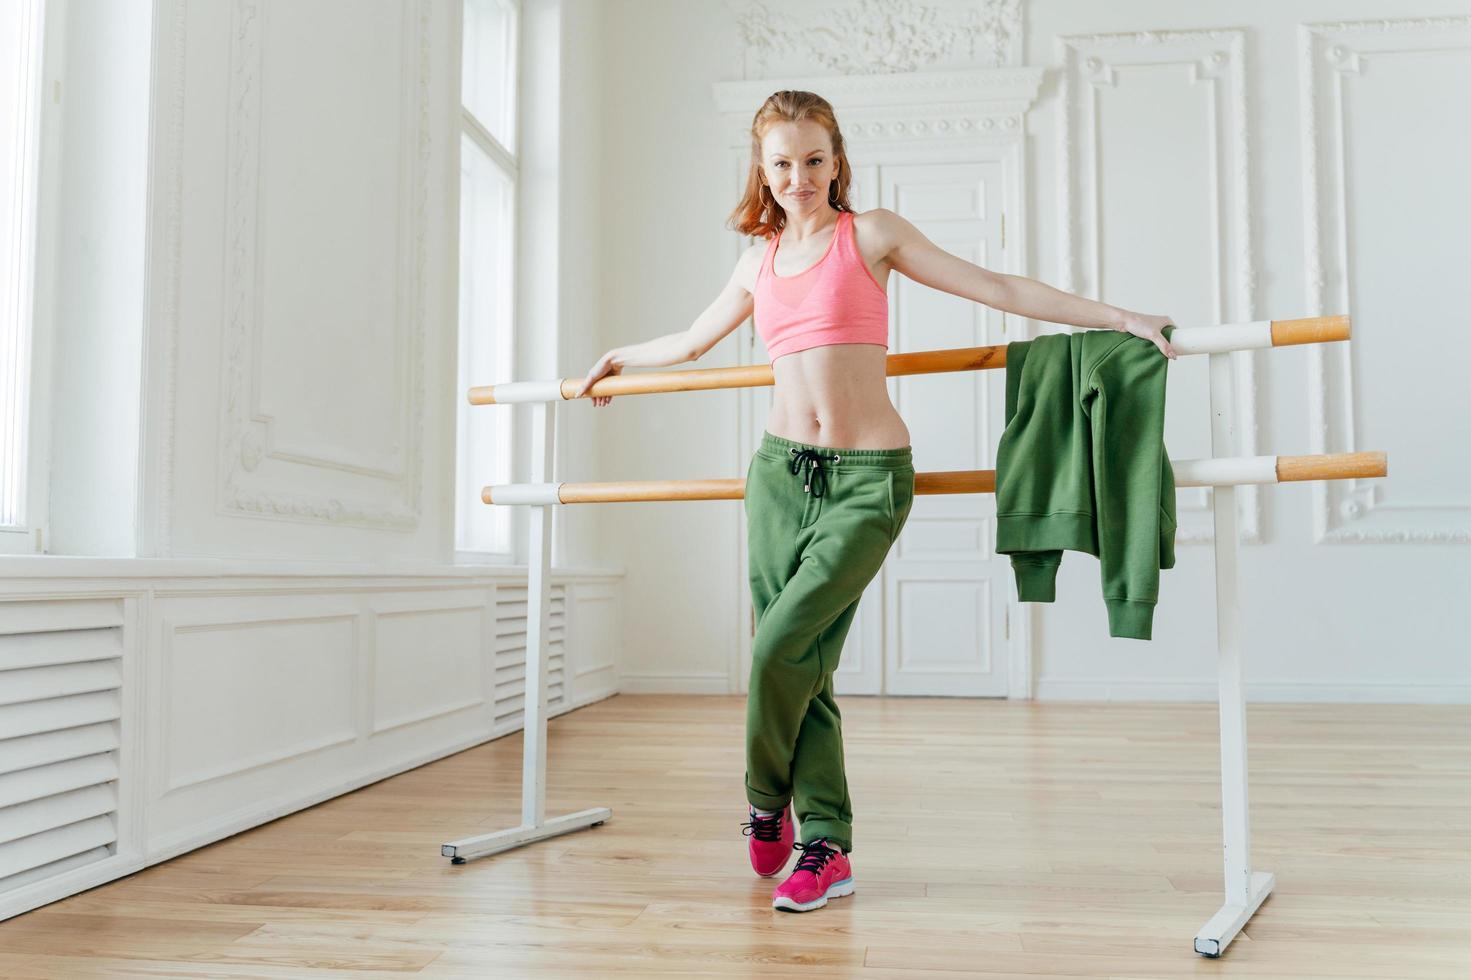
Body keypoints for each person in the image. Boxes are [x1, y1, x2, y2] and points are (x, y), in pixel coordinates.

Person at [575, 90, 1176, 913]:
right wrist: (617, 359)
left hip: (867, 477)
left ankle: (762, 798)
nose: (799, 178)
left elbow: (996, 286)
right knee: (805, 668)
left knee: (776, 649)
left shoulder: (873, 234)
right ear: (762, 168)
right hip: (778, 476)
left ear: (836, 158)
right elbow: (688, 340)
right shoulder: (756, 258)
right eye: (782, 163)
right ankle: (826, 846)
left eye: (814, 160)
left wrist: (1121, 317)